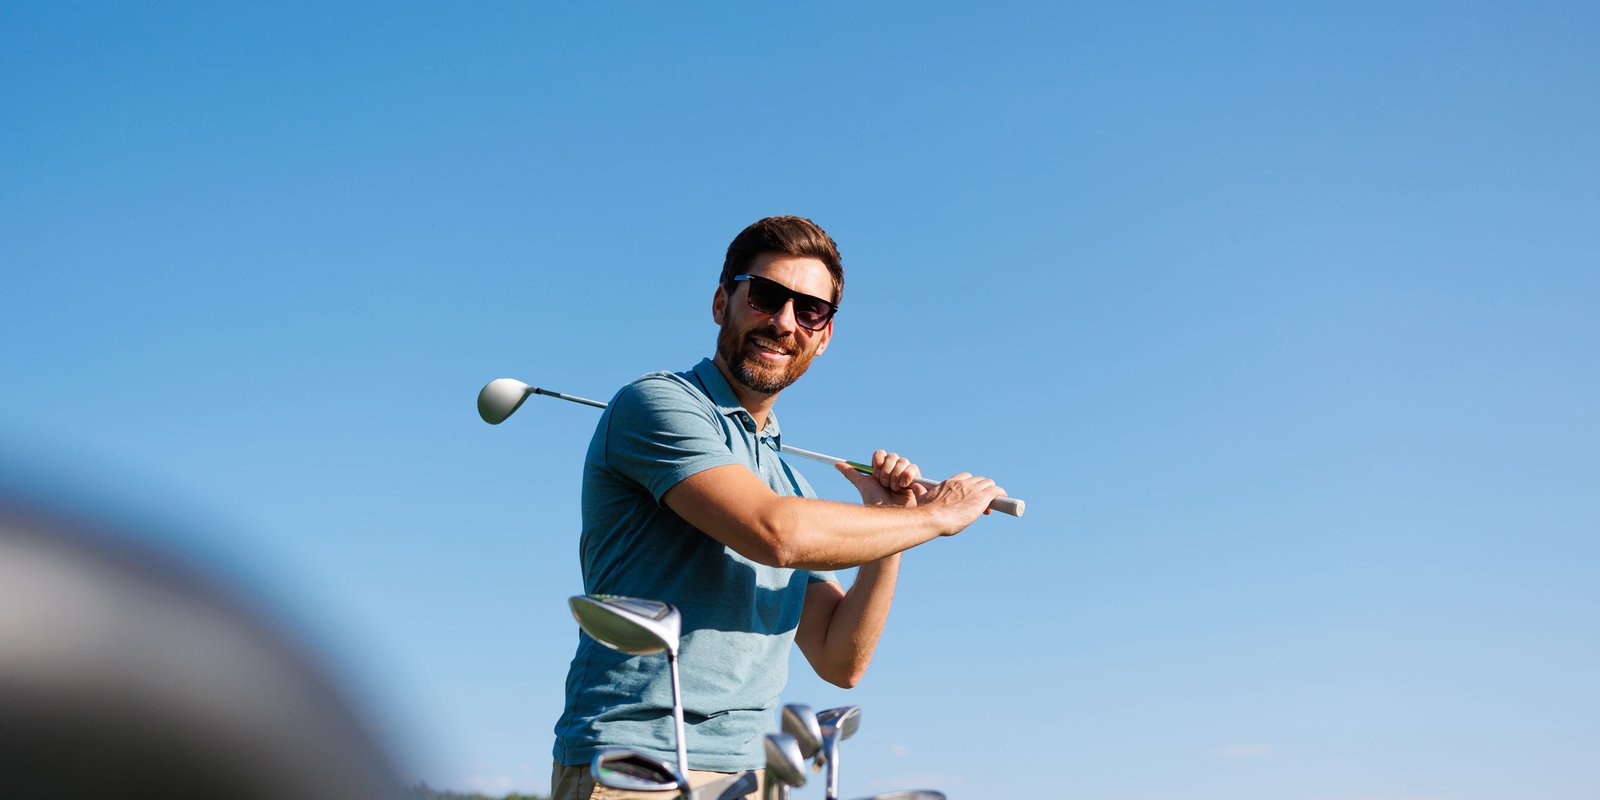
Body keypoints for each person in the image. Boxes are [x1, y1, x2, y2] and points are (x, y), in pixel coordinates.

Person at [550, 216, 1005, 800]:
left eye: (809, 310)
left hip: (750, 774)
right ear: (722, 303)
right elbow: (773, 534)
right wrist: (936, 516)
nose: (784, 322)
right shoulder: (657, 403)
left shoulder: (791, 485)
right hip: (636, 763)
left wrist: (891, 521)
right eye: (765, 296)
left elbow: (840, 659)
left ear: (824, 336)